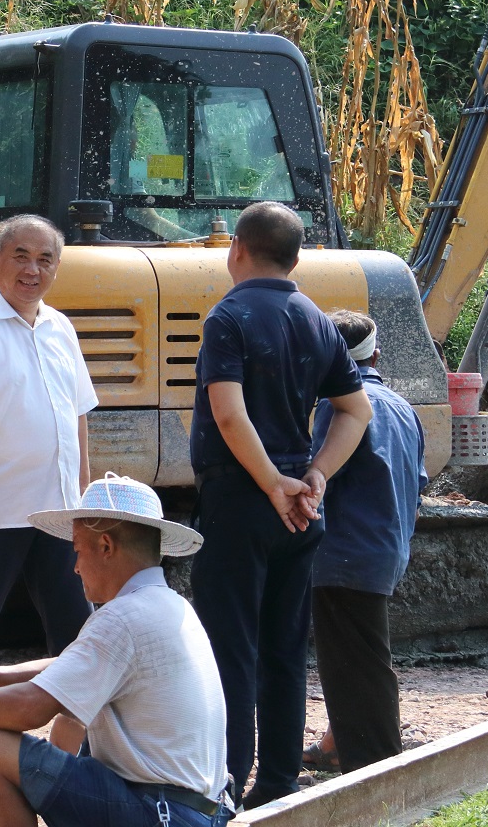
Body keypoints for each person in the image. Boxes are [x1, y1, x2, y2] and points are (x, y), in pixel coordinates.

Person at [187, 201, 374, 808]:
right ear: (296, 258)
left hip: (241, 501)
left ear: (236, 248)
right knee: (285, 649)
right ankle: (279, 782)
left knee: (230, 647)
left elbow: (228, 412)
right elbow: (356, 410)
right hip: (301, 510)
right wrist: (314, 475)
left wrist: (270, 481)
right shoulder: (316, 320)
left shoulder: (229, 316)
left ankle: (227, 782)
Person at [0, 475, 233, 827]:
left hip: (164, 814)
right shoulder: (169, 605)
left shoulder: (122, 618)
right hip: (203, 811)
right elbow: (70, 666)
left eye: (78, 549)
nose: (75, 566)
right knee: (72, 719)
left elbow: (30, 708)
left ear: (105, 546)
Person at [0, 214, 97, 688]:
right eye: (21, 257)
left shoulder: (60, 328)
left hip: (57, 513)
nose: (33, 270)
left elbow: (78, 415)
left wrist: (84, 496)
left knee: (78, 637)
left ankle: (87, 751)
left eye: (45, 259)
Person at [305, 310, 427, 775]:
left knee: (357, 663)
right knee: (356, 653)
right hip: (386, 548)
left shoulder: (337, 409)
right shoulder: (401, 406)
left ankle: (374, 765)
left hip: (343, 553)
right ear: (377, 353)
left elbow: (321, 481)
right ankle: (337, 745)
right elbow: (417, 485)